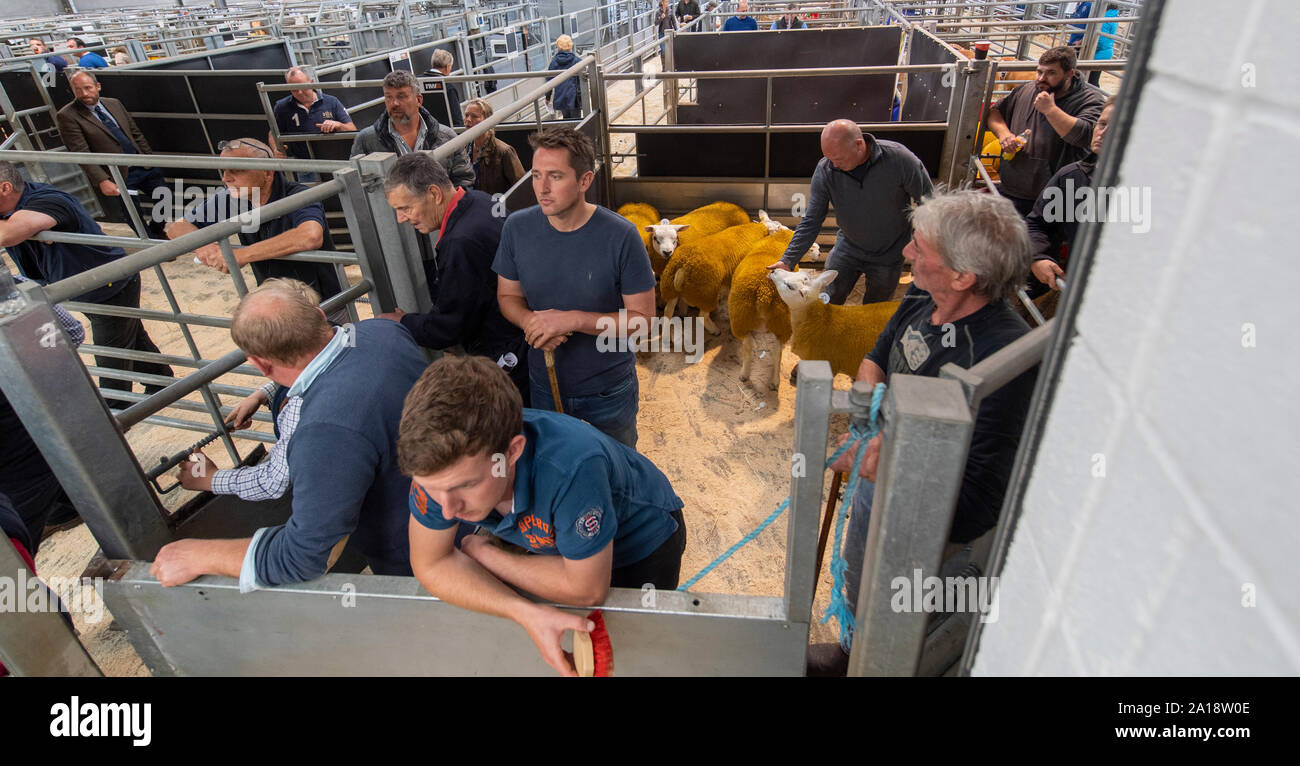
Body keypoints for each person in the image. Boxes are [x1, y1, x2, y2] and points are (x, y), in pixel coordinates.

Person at [806, 190, 1039, 676]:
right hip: (880, 472)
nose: (906, 254)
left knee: (896, 604)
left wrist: (883, 460)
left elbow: (978, 497)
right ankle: (851, 652)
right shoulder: (925, 291)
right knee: (858, 572)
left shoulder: (1001, 361)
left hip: (928, 523)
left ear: (963, 275)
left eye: (918, 247)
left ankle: (876, 661)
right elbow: (883, 347)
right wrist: (866, 398)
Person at [401, 355, 686, 676]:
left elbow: (587, 589)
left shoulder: (571, 468)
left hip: (639, 542)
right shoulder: (440, 471)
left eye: (466, 485)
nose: (448, 508)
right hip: (559, 538)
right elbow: (431, 563)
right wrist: (522, 611)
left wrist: (487, 556)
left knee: (632, 649)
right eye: (431, 489)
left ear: (512, 451)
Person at [149, 279, 428, 589]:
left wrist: (199, 552)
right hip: (453, 505)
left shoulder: (323, 430)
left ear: (258, 363)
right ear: (320, 317)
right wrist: (266, 392)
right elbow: (329, 362)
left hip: (412, 550)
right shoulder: (383, 331)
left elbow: (304, 555)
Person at [493, 127, 656, 448]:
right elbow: (507, 296)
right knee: (558, 463)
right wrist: (531, 322)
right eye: (536, 175)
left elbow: (643, 321)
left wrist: (574, 320)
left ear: (585, 181)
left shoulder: (621, 236)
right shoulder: (516, 228)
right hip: (544, 382)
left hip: (607, 388)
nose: (542, 187)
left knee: (618, 465)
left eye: (555, 176)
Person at [0, 160, 174, 411]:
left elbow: (8, 234)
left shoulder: (48, 200)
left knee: (110, 353)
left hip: (109, 285)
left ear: (5, 188)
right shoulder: (17, 205)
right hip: (88, 286)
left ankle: (115, 411)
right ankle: (161, 379)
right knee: (129, 336)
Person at [377, 152, 530, 402]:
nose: (400, 218)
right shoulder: (479, 200)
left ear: (435, 194)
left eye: (405, 208)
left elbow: (450, 327)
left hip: (508, 353)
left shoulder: (460, 242)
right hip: (523, 335)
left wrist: (404, 321)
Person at [164, 137, 349, 324]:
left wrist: (241, 255)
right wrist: (206, 247)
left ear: (267, 173)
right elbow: (176, 228)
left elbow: (309, 236)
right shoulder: (231, 198)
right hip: (277, 306)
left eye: (237, 170)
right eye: (224, 170)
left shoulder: (298, 194)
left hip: (323, 303)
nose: (225, 177)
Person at [768, 118, 933, 305]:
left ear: (859, 144)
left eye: (838, 159)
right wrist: (788, 260)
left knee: (874, 310)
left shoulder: (900, 160)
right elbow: (812, 220)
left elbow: (930, 204)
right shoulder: (826, 169)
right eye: (829, 159)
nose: (834, 165)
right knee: (828, 300)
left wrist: (927, 249)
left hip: (889, 253)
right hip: (848, 248)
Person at [1, 275, 87, 546]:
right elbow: (70, 331)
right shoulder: (8, 285)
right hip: (30, 419)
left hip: (18, 443)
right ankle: (68, 508)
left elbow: (68, 332)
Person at [985, 45, 1108, 216]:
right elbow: (995, 113)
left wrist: (1050, 110)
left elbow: (1084, 135)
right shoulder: (1027, 89)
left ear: (1069, 74)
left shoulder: (1090, 100)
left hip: (1056, 196)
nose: (1042, 78)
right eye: (1039, 72)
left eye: (1051, 73)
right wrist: (1004, 134)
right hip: (1012, 188)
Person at [55, 69, 169, 239]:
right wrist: (102, 180)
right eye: (77, 89)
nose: (84, 93)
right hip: (116, 173)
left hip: (142, 164)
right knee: (132, 212)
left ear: (97, 86)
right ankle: (151, 243)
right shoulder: (67, 115)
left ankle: (157, 230)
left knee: (165, 198)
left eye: (87, 88)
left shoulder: (114, 103)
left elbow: (134, 132)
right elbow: (80, 152)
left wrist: (147, 157)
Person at [1025, 95, 1114, 295]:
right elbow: (1037, 224)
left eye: (1117, 127)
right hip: (1080, 287)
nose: (1103, 133)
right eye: (1102, 124)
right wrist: (1038, 256)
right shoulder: (1072, 177)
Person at [349, 70, 474, 188]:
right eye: (389, 97)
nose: (394, 103)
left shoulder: (447, 137)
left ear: (418, 100)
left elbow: (464, 181)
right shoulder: (365, 140)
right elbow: (356, 186)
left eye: (401, 96)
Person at [268, 66, 355, 162]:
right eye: (294, 89)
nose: (300, 92)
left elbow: (352, 129)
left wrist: (338, 125)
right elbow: (273, 133)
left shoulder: (331, 102)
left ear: (312, 82)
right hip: (304, 164)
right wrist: (276, 149)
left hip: (335, 159)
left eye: (302, 87)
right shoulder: (282, 107)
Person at [463, 98, 525, 197]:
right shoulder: (463, 149)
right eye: (466, 115)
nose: (468, 120)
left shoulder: (504, 152)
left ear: (488, 121)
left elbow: (522, 188)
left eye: (474, 116)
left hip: (497, 208)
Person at [422, 49, 463, 127]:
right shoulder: (448, 87)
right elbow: (457, 120)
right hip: (444, 132)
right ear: (447, 67)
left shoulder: (418, 81)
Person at [546, 35, 582, 119]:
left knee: (566, 119)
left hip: (561, 97)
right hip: (574, 98)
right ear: (570, 46)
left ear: (558, 47)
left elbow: (549, 81)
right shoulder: (576, 60)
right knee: (577, 121)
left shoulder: (554, 62)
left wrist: (548, 97)